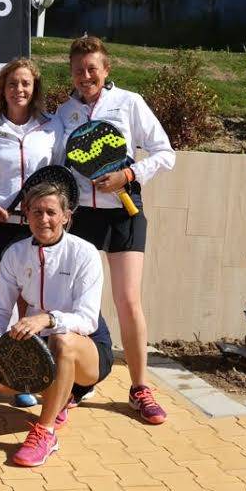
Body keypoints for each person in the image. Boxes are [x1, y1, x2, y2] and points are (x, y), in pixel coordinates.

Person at [55, 36, 175, 424]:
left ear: (106, 70)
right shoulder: (63, 112)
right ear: (71, 73)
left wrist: (128, 174)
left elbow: (165, 153)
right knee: (77, 303)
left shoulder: (129, 102)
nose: (85, 76)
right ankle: (77, 383)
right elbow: (58, 164)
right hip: (81, 218)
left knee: (127, 301)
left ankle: (140, 387)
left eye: (92, 68)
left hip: (125, 213)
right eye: (78, 70)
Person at [0, 182, 113, 467]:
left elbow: (88, 319)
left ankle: (46, 431)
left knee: (63, 340)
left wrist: (48, 318)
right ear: (26, 214)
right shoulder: (15, 253)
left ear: (66, 216)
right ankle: (61, 398)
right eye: (36, 212)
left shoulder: (85, 253)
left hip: (88, 349)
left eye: (51, 212)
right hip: (43, 346)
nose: (44, 219)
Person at [0, 58, 63, 407]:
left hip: (35, 231)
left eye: (26, 83)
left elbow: (59, 178)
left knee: (29, 308)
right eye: (12, 83)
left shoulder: (51, 128)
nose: (19, 90)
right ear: (3, 89)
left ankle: (22, 377)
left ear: (34, 88)